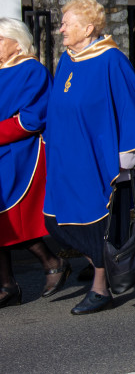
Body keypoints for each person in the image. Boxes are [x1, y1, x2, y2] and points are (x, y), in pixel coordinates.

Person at [43, 0, 135, 315]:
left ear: (88, 28)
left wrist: (126, 160)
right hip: (67, 159)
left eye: (67, 23)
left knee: (96, 225)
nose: (61, 28)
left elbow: (130, 107)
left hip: (99, 161)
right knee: (55, 221)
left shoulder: (112, 61)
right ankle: (99, 263)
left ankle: (101, 287)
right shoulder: (67, 59)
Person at [0, 18, 67, 309]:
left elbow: (31, 118)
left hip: (21, 153)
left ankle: (52, 262)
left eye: (0, 39)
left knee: (13, 218)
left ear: (17, 41)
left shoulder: (32, 70)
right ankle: (6, 285)